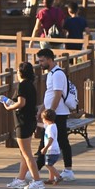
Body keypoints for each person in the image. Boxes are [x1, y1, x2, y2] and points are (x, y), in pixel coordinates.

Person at [2, 61, 47, 189]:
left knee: (27, 154)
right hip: (30, 121)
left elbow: (21, 103)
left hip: (23, 122)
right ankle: (21, 179)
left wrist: (10, 106)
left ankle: (37, 180)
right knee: (24, 153)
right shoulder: (31, 85)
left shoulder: (22, 85)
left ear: (21, 72)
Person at [34, 47, 77, 181]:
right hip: (53, 113)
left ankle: (36, 169)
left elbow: (58, 94)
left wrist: (50, 112)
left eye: (42, 61)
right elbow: (49, 94)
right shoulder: (51, 74)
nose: (40, 64)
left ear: (49, 59)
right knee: (59, 140)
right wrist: (42, 109)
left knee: (49, 141)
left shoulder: (58, 74)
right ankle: (67, 170)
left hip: (58, 114)